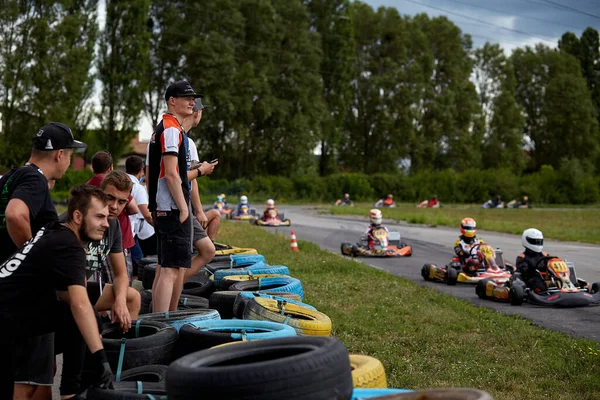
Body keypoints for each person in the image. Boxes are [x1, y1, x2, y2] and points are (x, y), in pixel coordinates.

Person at [0, 185, 113, 399]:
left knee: (82, 320)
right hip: (8, 320)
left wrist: (94, 324)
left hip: (17, 315)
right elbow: (79, 303)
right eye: (99, 217)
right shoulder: (69, 246)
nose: (106, 224)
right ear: (78, 216)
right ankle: (72, 392)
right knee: (80, 317)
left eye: (106, 217)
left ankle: (71, 391)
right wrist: (101, 358)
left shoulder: (54, 230)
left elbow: (67, 297)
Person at [0, 122, 86, 399]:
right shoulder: (35, 179)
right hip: (27, 299)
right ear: (60, 154)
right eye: (71, 155)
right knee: (29, 383)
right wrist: (31, 258)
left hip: (9, 294)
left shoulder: (9, 177)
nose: (70, 161)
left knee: (40, 376)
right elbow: (15, 214)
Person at [147, 80, 198, 313]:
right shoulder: (170, 129)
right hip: (171, 208)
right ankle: (161, 325)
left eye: (193, 97)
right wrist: (184, 207)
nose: (192, 102)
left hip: (164, 207)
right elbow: (170, 173)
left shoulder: (166, 127)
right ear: (172, 101)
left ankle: (159, 322)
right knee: (169, 270)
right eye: (186, 97)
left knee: (166, 267)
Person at [87, 151, 139, 282]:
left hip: (113, 241)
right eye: (109, 198)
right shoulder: (83, 220)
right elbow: (135, 208)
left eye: (121, 202)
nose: (114, 207)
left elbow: (121, 276)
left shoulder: (88, 184)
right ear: (110, 167)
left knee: (129, 294)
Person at [181, 97, 217, 283]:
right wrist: (199, 210)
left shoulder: (179, 138)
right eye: (201, 111)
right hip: (180, 205)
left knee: (174, 265)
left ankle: (172, 291)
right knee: (204, 252)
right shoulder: (186, 142)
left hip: (179, 204)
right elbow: (191, 178)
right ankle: (171, 292)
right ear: (196, 112)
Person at [125, 155, 155, 259]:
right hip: (131, 231)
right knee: (138, 262)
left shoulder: (119, 183)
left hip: (119, 228)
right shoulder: (138, 188)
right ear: (141, 170)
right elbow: (147, 215)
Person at [516, 228, 548, 293]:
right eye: (535, 241)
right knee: (539, 283)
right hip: (532, 280)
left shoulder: (545, 255)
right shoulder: (522, 257)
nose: (537, 244)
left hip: (548, 278)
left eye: (539, 241)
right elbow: (526, 272)